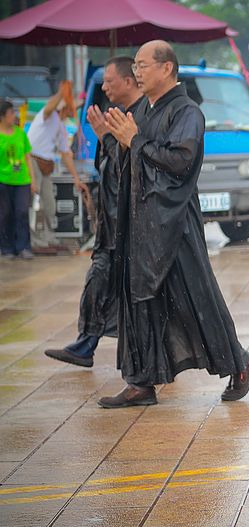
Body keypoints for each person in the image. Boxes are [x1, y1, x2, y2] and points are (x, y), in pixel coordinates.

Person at [99, 40, 249, 408]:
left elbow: (179, 163)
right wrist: (118, 142)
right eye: (135, 66)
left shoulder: (187, 112)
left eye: (142, 65)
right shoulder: (145, 109)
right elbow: (134, 160)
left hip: (175, 225)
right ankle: (140, 381)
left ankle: (241, 363)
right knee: (141, 298)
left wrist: (135, 141)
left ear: (166, 68)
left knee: (194, 299)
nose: (137, 72)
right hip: (142, 222)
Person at [44, 56, 144, 368]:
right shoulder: (124, 115)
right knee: (102, 282)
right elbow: (115, 165)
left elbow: (136, 167)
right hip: (111, 222)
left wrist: (106, 137)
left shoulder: (143, 116)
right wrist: (106, 138)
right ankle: (86, 344)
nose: (104, 87)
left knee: (113, 285)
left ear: (128, 81)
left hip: (128, 224)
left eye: (110, 81)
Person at [26, 81, 88, 252]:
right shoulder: (47, 116)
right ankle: (37, 241)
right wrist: (62, 93)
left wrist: (76, 178)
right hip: (33, 161)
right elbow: (49, 106)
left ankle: (48, 237)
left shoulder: (61, 128)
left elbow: (65, 154)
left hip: (45, 166)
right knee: (37, 205)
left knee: (49, 204)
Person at [0, 100, 37, 259]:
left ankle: (23, 246)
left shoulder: (21, 133)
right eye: (10, 113)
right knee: (5, 214)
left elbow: (28, 157)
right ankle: (7, 248)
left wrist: (32, 179)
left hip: (22, 180)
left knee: (21, 212)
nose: (13, 116)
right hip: (3, 180)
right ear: (2, 116)